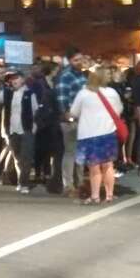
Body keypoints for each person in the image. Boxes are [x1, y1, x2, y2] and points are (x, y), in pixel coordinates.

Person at [70, 68, 123, 204]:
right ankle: (109, 195)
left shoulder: (83, 93)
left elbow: (74, 112)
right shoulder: (112, 93)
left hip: (89, 133)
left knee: (94, 167)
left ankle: (95, 196)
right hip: (108, 132)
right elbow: (118, 111)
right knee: (108, 165)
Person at [54, 47, 88, 194]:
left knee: (80, 152)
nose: (79, 62)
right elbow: (62, 98)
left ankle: (80, 181)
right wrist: (68, 116)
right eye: (76, 60)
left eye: (80, 59)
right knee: (70, 152)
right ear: (69, 60)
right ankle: (68, 184)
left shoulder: (81, 75)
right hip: (71, 119)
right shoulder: (66, 76)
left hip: (83, 117)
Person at [2, 71, 39, 194]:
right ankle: (21, 181)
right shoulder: (9, 94)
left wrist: (34, 127)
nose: (13, 81)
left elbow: (36, 111)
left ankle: (24, 183)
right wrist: (6, 130)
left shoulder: (29, 94)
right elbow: (6, 112)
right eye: (12, 79)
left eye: (16, 78)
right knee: (17, 157)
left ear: (23, 79)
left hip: (26, 129)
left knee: (26, 157)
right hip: (13, 130)